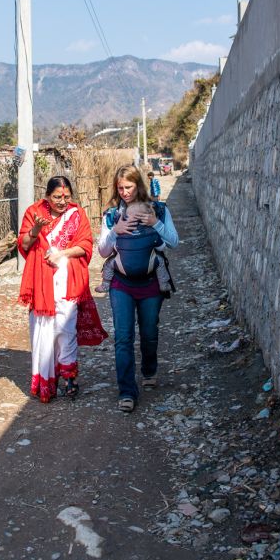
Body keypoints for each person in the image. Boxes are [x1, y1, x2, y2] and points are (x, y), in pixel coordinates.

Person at [18, 176, 107, 403]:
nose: (62, 201)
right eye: (57, 197)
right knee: (44, 331)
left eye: (66, 196)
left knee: (66, 330)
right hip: (42, 283)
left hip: (69, 281)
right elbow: (24, 246)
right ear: (47, 196)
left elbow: (86, 245)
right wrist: (36, 229)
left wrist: (62, 254)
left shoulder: (77, 214)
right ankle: (48, 380)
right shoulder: (34, 212)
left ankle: (70, 377)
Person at [98, 165, 179, 413]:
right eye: (120, 188)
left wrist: (155, 224)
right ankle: (127, 392)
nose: (124, 192)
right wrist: (115, 232)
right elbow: (102, 251)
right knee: (123, 337)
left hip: (151, 283)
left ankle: (149, 369)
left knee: (149, 331)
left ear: (139, 186)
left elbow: (172, 242)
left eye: (129, 187)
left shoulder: (159, 210)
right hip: (121, 284)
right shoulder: (112, 216)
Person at [95, 200, 173, 295]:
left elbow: (114, 248)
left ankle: (105, 284)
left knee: (109, 262)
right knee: (160, 260)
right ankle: (164, 283)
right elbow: (162, 248)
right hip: (148, 267)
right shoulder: (152, 233)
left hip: (123, 268)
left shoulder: (121, 234)